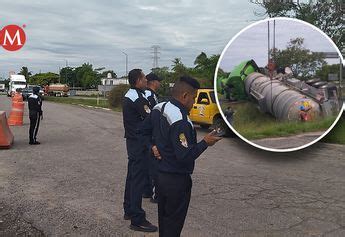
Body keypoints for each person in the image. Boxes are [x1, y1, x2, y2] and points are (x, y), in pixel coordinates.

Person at [141, 76, 222, 236]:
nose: (194, 102)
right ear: (185, 96)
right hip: (176, 182)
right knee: (173, 226)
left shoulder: (159, 107)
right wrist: (205, 142)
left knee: (164, 222)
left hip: (160, 177)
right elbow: (184, 156)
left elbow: (142, 131)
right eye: (193, 97)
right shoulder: (181, 121)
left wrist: (152, 146)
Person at [122, 69, 157, 232]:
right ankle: (137, 219)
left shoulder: (135, 94)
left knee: (132, 177)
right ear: (138, 80)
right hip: (139, 142)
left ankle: (129, 210)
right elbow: (150, 117)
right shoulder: (136, 97)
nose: (146, 81)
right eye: (144, 78)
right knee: (138, 180)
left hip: (134, 141)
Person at [143, 72, 163, 203]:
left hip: (147, 133)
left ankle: (147, 190)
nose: (160, 83)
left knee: (148, 163)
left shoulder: (146, 93)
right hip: (152, 133)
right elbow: (151, 115)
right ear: (153, 82)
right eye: (158, 81)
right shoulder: (150, 95)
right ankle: (155, 194)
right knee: (154, 164)